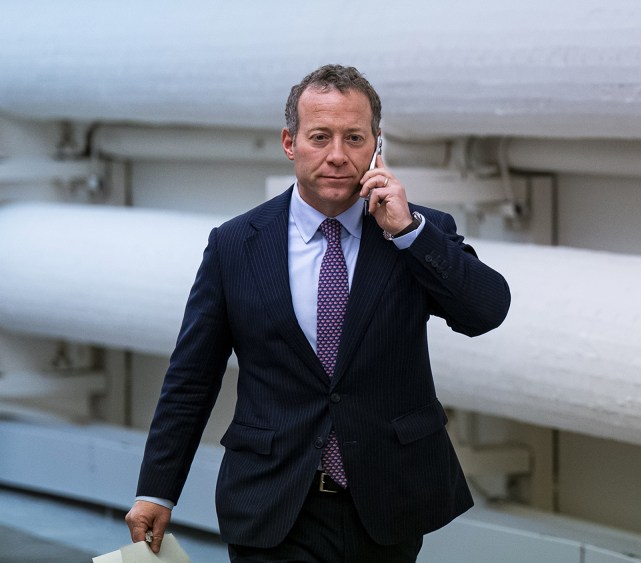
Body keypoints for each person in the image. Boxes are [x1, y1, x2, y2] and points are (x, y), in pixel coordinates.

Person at [124, 64, 511, 562]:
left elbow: (486, 311)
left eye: (354, 138)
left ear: (376, 146)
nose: (336, 155)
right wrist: (157, 489)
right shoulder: (236, 245)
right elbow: (192, 377)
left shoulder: (416, 232)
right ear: (290, 142)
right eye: (320, 136)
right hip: (273, 503)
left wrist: (409, 233)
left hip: (387, 502)